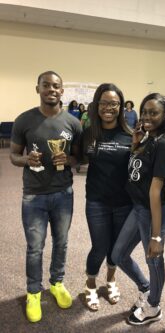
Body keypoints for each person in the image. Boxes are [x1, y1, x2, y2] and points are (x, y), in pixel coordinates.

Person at [10, 71, 82, 323]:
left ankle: (57, 283)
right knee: (35, 248)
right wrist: (26, 160)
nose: (52, 89)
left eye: (56, 86)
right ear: (38, 88)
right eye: (46, 85)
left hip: (64, 193)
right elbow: (13, 156)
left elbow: (78, 158)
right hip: (34, 195)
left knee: (61, 243)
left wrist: (69, 160)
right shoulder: (24, 120)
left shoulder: (73, 123)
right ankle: (33, 292)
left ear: (63, 91)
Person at [112, 93, 165, 325]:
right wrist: (135, 144)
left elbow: (155, 189)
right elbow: (136, 170)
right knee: (118, 255)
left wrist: (156, 236)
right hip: (139, 207)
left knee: (154, 259)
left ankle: (154, 306)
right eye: (145, 111)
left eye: (154, 112)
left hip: (153, 209)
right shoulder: (148, 138)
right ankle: (146, 288)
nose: (147, 116)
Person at [82, 83, 133, 311]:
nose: (108, 108)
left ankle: (111, 280)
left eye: (113, 103)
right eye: (104, 103)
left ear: (121, 106)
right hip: (97, 201)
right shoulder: (90, 132)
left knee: (115, 249)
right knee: (99, 247)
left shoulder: (131, 135)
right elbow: (77, 159)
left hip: (123, 203)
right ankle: (90, 283)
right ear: (97, 105)